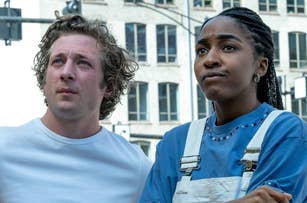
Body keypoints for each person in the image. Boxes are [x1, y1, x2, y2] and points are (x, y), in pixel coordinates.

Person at [138, 7, 307, 203]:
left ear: (261, 66)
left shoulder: (287, 133)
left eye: (228, 47)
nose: (209, 60)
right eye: (202, 50)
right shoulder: (174, 143)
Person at [0, 14, 152, 202]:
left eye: (82, 63)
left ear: (109, 86)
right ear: (44, 80)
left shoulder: (136, 167)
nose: (66, 73)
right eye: (58, 61)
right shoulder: (3, 149)